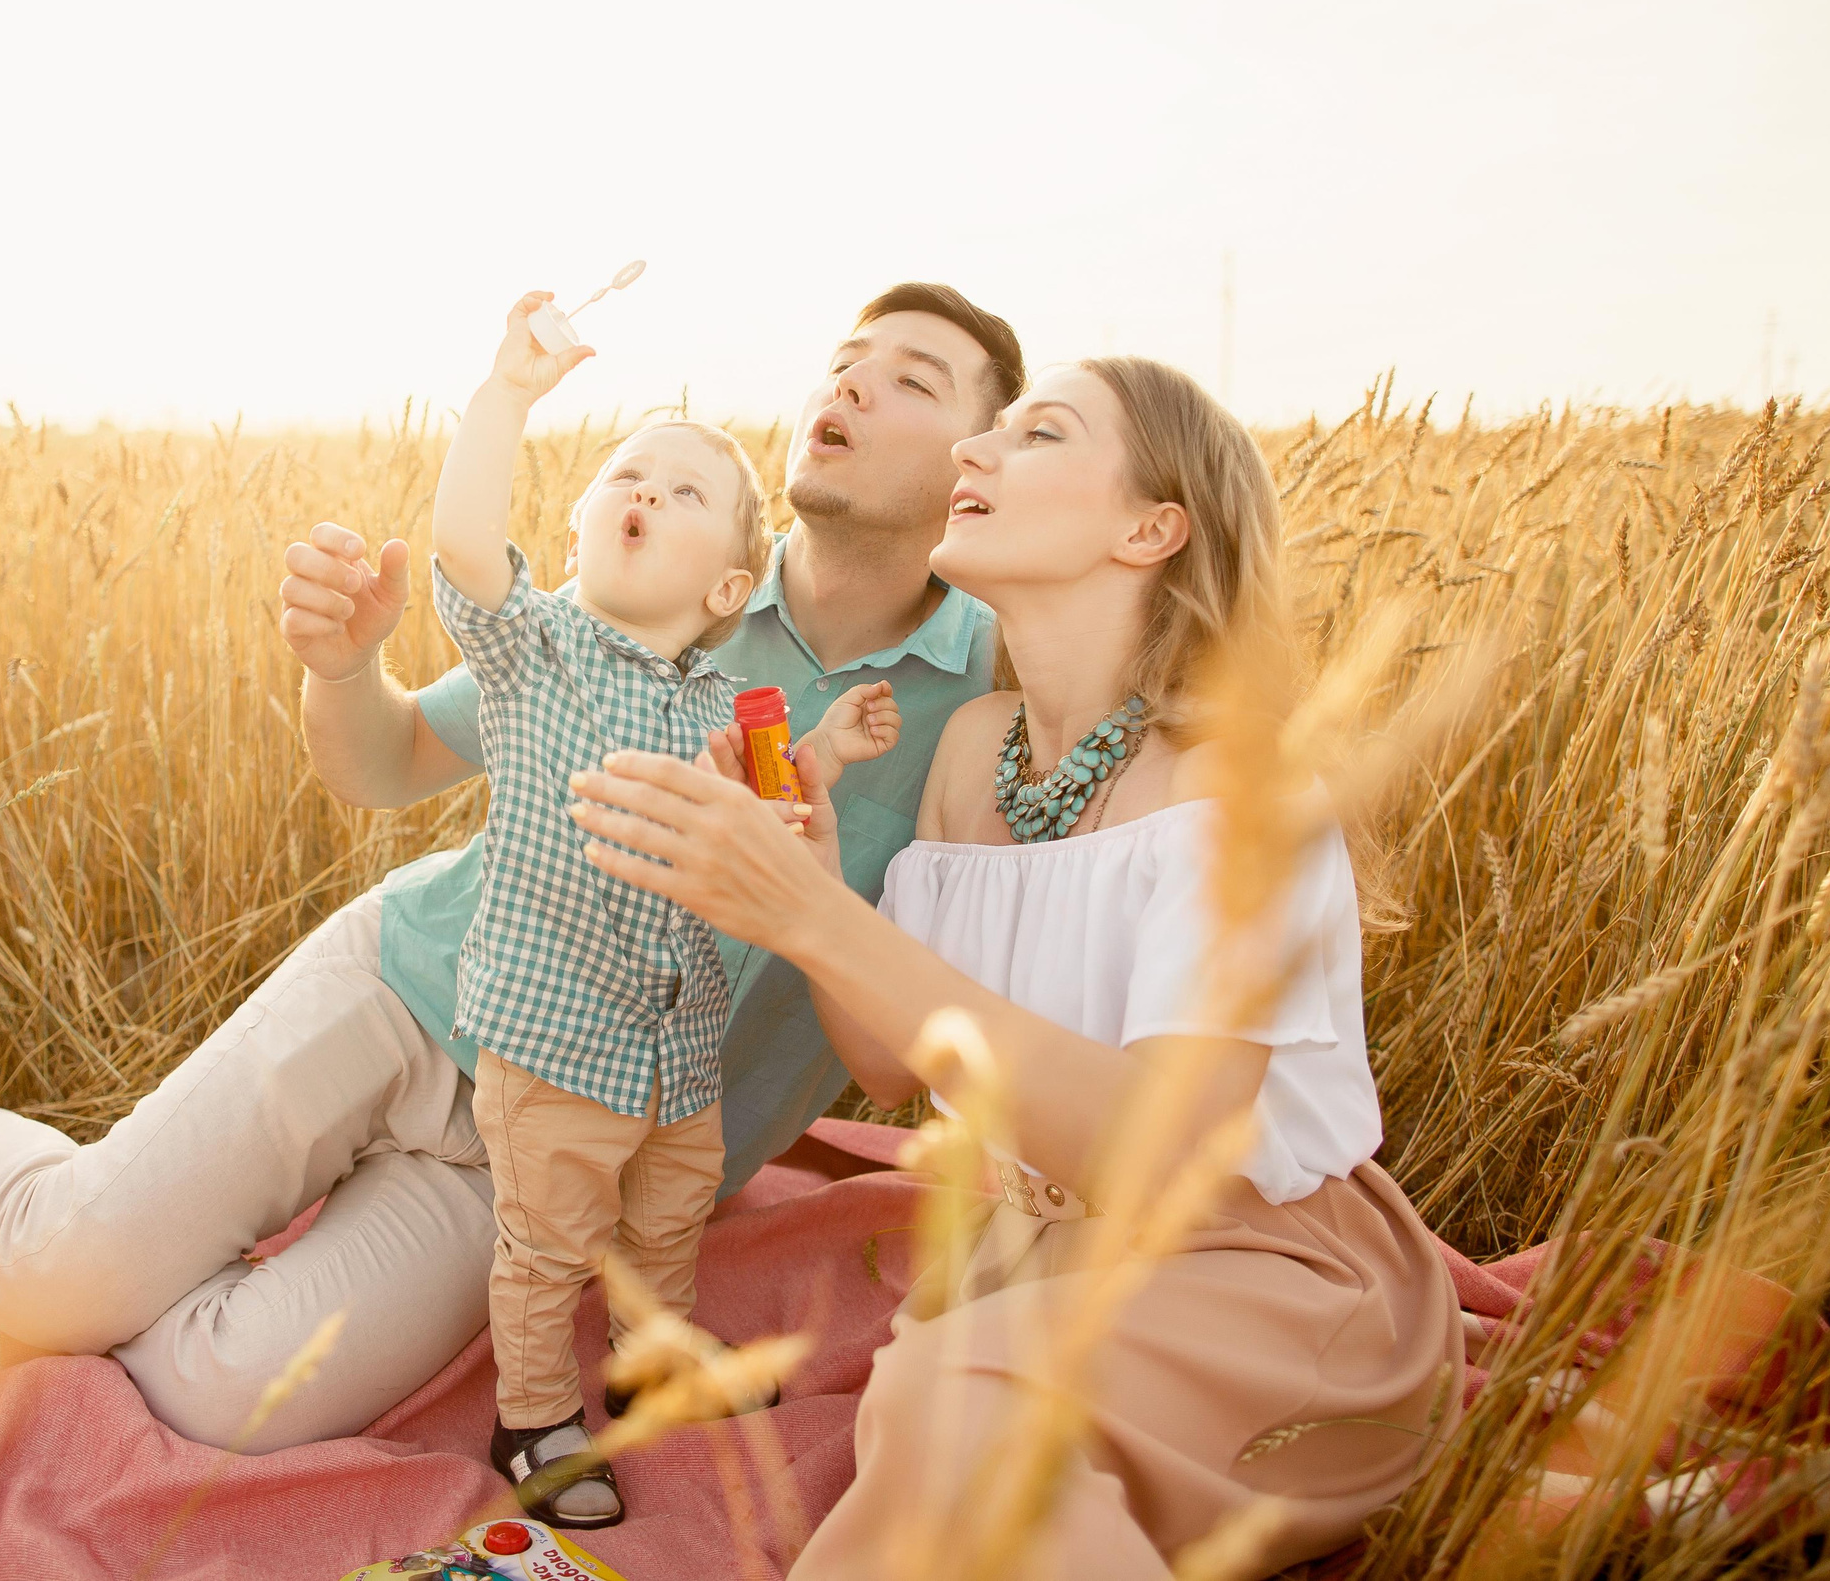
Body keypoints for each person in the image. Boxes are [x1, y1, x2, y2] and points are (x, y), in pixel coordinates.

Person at [0, 282, 1024, 1454]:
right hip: (417, 993)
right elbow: (385, 761)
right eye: (845, 361)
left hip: (560, 1152)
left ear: (979, 460)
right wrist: (343, 666)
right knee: (59, 1281)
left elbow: (907, 1049)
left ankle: (108, 1241)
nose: (849, 385)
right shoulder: (675, 576)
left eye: (910, 379)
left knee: (233, 1397)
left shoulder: (988, 706)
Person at [562, 357, 1465, 1577]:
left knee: (955, 1410)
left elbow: (1160, 1152)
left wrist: (817, 919)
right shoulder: (976, 747)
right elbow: (892, 1066)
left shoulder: (1239, 783)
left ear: (1150, 530)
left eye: (1038, 434)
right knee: (950, 1413)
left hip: (1262, 1280)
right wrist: (812, 885)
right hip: (1033, 1262)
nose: (969, 452)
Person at [424, 293, 896, 1525]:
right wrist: (507, 395)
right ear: (577, 527)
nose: (645, 490)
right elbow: (464, 542)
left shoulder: (727, 706)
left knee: (667, 1225)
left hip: (680, 1050)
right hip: (555, 1040)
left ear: (730, 583)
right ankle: (534, 1418)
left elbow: (774, 811)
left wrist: (828, 753)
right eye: (625, 475)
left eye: (685, 492)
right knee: (545, 1246)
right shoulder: (535, 649)